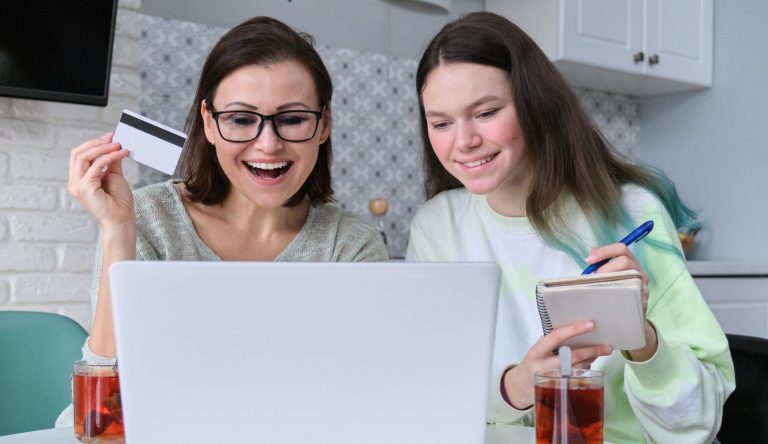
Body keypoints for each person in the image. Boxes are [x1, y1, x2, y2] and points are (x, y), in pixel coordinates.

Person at [406, 11, 734, 443]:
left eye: (485, 113)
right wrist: (518, 385)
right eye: (442, 123)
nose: (462, 141)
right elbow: (427, 393)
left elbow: (698, 425)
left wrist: (641, 339)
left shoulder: (630, 213)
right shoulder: (437, 227)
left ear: (534, 103)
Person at [57, 16, 387, 425]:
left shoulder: (349, 242)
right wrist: (118, 234)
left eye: (293, 119)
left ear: (324, 124)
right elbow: (103, 412)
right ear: (210, 124)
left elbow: (362, 393)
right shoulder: (147, 218)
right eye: (241, 119)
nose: (268, 144)